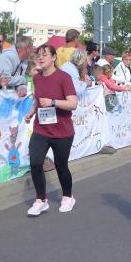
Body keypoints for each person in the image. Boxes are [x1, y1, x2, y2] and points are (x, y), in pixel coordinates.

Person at [23, 45, 78, 216]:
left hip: (62, 130)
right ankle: (41, 200)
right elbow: (38, 99)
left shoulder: (64, 77)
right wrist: (32, 111)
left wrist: (53, 102)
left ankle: (68, 196)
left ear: (54, 57)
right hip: (41, 129)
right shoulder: (37, 78)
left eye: (44, 55)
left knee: (61, 166)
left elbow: (73, 104)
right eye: (38, 55)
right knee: (35, 163)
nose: (40, 58)